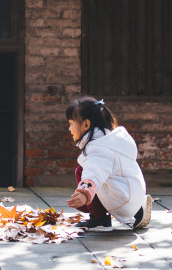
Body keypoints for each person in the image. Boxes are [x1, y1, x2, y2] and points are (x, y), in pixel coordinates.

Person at [65, 96, 153, 232]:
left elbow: (93, 173)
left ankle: (99, 220)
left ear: (86, 125)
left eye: (71, 123)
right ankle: (138, 210)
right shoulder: (112, 140)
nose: (69, 129)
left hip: (122, 200)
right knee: (106, 179)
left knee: (81, 171)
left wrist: (84, 193)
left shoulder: (98, 149)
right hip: (134, 193)